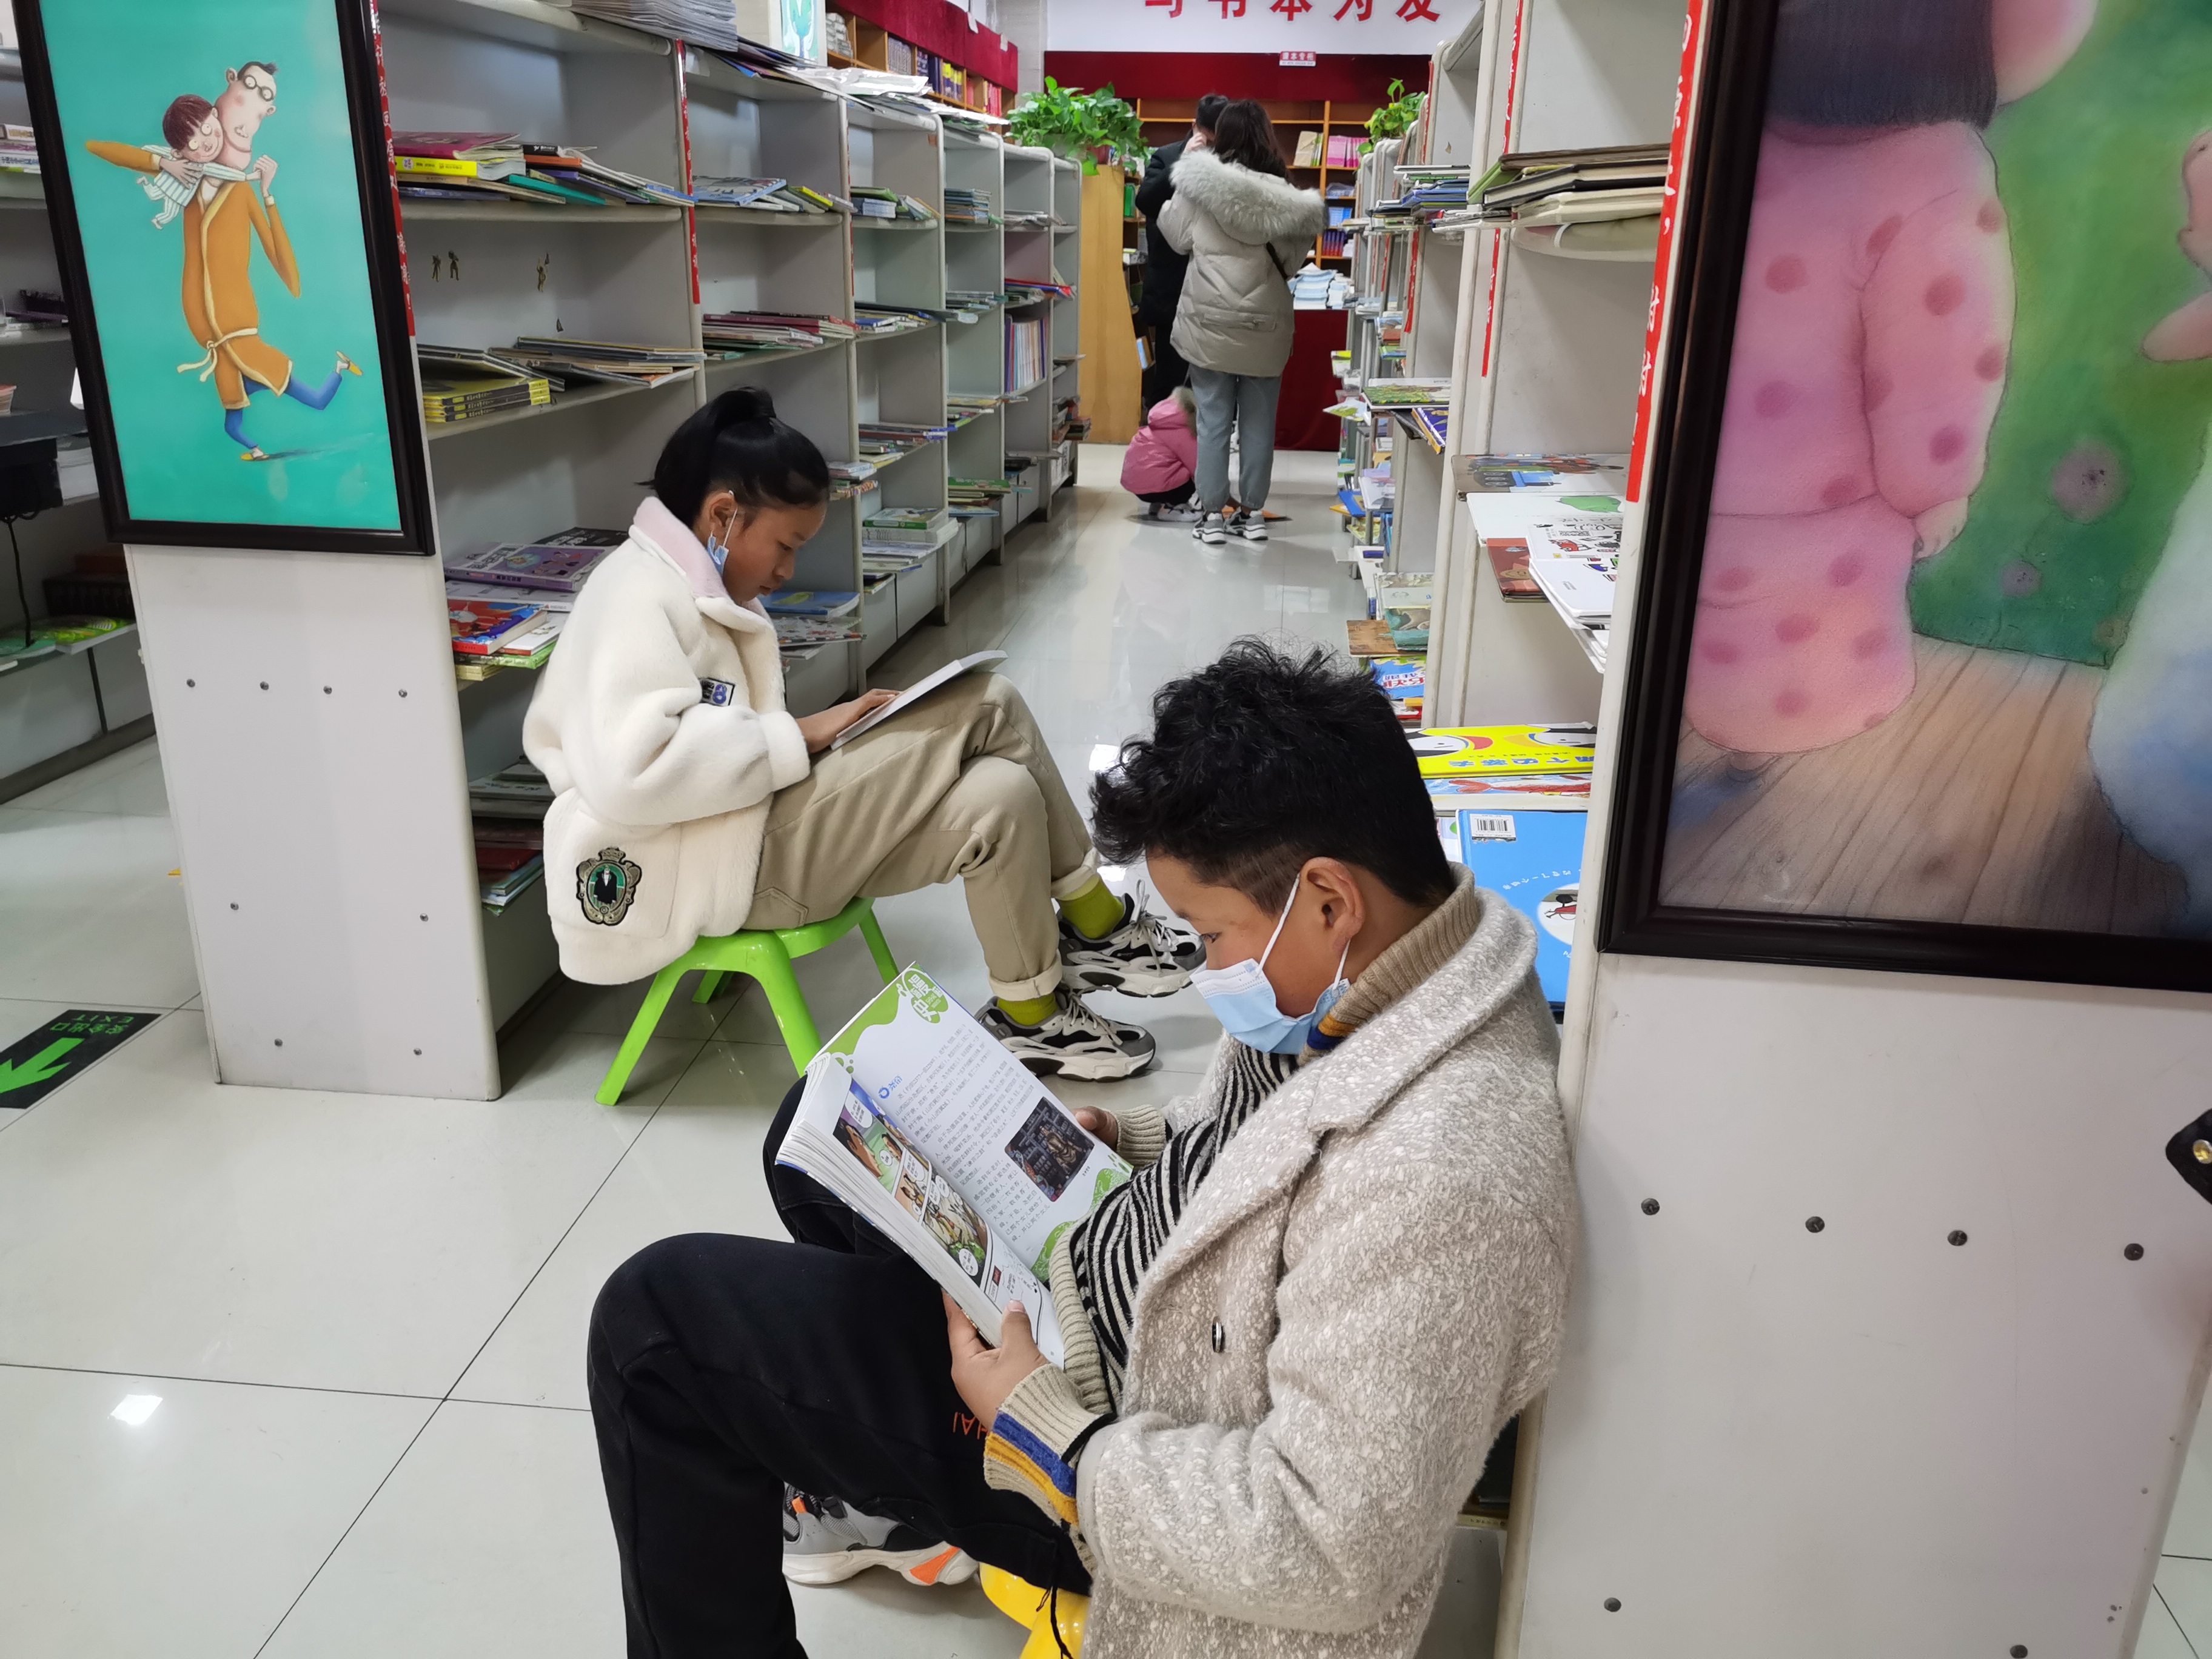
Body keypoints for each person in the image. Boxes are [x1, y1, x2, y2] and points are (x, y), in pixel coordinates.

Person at [586, 638, 1577, 1659]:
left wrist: (1040, 1427)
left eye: (1210, 936)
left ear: (1330, 900)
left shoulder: (1444, 1182)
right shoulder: (1391, 957)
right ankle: (906, 1491)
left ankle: (940, 1465)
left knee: (655, 1327)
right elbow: (1255, 1140)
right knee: (822, 1125)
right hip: (1095, 1284)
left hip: (1106, 1434)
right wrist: (1127, 1137)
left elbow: (1328, 1547)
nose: (1207, 972)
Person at [522, 386, 1198, 1081]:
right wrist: (798, 736)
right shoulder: (635, 594)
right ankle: (1100, 926)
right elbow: (633, 772)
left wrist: (800, 738)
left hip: (743, 834)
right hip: (711, 866)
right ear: (723, 514)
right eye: (785, 545)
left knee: (1003, 795)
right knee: (988, 702)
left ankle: (1032, 1019)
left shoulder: (687, 583)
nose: (787, 570)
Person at [86, 63, 361, 461]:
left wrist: (268, 194)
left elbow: (277, 254)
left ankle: (338, 369)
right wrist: (163, 164)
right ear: (181, 151)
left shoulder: (240, 189)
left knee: (307, 400)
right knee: (233, 417)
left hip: (237, 325)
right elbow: (106, 151)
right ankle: (258, 442)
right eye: (193, 142)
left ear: (217, 116)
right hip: (212, 335)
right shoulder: (185, 182)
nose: (206, 142)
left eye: (208, 129)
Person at [1157, 99, 1324, 548]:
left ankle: (1212, 515)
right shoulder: (1289, 199)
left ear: (1222, 135)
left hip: (1208, 323)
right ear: (1267, 137)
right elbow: (1291, 262)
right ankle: (1252, 516)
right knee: (1259, 425)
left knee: (1212, 423)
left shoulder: (1200, 184)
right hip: (1264, 327)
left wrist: (1186, 171)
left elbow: (1175, 236)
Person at [1132, 93, 1228, 413]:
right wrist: (1183, 163)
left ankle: (1206, 441)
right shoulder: (1168, 155)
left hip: (1216, 288)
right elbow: (1146, 201)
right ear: (1195, 127)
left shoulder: (1231, 161)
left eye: (1218, 141)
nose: (1213, 146)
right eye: (1208, 139)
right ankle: (1163, 440)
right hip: (1172, 288)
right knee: (1169, 381)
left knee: (1213, 386)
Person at [1118, 384, 1199, 522]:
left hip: (1137, 486)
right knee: (1193, 474)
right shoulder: (1183, 431)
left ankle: (1158, 504)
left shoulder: (1158, 423)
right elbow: (1197, 467)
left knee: (1164, 465)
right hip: (1155, 488)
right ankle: (1172, 507)